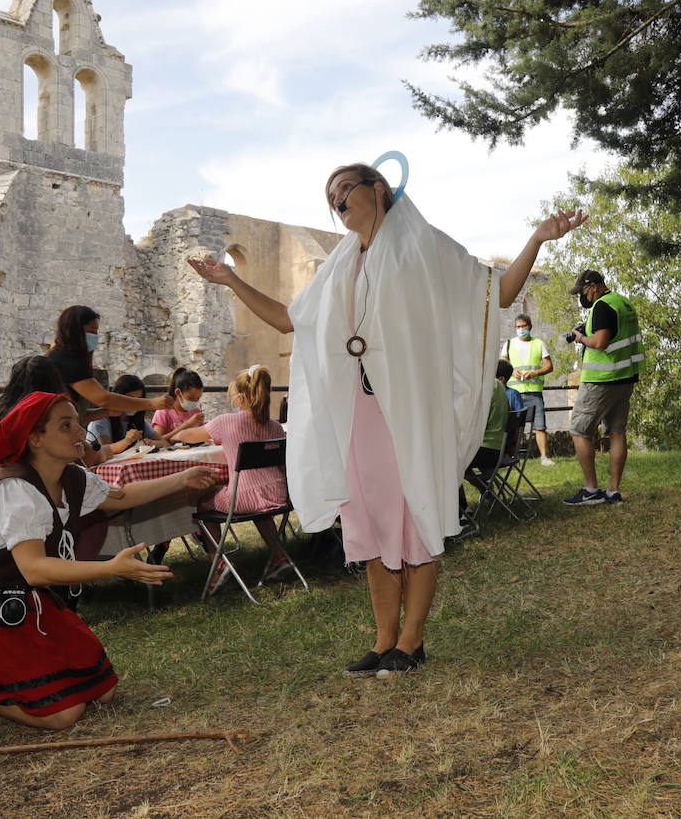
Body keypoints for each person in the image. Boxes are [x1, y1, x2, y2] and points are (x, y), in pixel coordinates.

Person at [187, 159, 584, 677]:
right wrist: (230, 280)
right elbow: (289, 320)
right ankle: (383, 640)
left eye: (345, 189)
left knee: (414, 520)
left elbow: (498, 293)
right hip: (356, 416)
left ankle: (413, 642)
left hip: (408, 413)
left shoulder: (422, 246)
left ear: (378, 189)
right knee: (370, 527)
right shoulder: (338, 265)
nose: (337, 201)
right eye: (331, 196)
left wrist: (536, 239)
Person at [0, 392, 219, 732]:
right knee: (63, 715)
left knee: (103, 689)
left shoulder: (72, 476)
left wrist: (181, 479)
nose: (80, 432)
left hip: (28, 607)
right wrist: (110, 568)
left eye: (77, 422)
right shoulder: (15, 488)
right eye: (66, 425)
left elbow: (121, 495)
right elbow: (34, 569)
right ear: (36, 439)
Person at [171, 364, 295, 591]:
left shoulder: (226, 422)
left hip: (245, 498)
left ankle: (218, 563)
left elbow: (184, 436)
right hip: (277, 493)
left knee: (203, 501)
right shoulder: (275, 427)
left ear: (238, 397)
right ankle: (279, 556)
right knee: (258, 505)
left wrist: (182, 429)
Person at [563, 270, 644, 506]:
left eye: (583, 291)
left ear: (595, 286)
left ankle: (591, 490)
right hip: (625, 377)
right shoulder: (623, 302)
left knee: (579, 430)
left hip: (602, 379)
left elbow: (600, 342)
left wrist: (580, 337)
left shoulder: (601, 306)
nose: (582, 296)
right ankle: (613, 491)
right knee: (617, 432)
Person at [46, 305, 173, 418]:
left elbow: (76, 417)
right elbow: (103, 398)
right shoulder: (65, 358)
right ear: (74, 331)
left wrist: (104, 412)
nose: (95, 337)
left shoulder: (63, 356)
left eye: (96, 332)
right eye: (91, 331)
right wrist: (152, 403)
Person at [458, 360, 514, 531]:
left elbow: (471, 421)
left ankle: (462, 511)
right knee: (459, 462)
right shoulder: (498, 385)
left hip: (487, 448)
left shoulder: (482, 387)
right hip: (499, 448)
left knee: (452, 463)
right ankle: (485, 491)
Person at [501, 314, 555, 465]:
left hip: (533, 391)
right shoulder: (509, 344)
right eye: (518, 327)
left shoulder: (539, 344)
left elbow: (549, 366)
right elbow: (502, 363)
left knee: (540, 425)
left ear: (529, 327)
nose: (521, 329)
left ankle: (544, 457)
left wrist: (535, 373)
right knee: (511, 426)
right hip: (513, 392)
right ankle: (510, 456)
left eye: (523, 326)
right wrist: (511, 372)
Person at [86, 373, 162, 456]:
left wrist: (151, 442)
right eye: (130, 399)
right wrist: (127, 441)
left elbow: (164, 442)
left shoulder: (137, 421)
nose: (134, 404)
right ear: (118, 397)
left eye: (139, 400)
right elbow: (105, 451)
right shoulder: (101, 420)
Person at [151, 367, 205, 442]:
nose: (195, 402)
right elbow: (156, 441)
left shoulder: (195, 411)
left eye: (198, 398)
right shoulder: (163, 412)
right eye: (191, 398)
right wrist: (187, 425)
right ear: (178, 393)